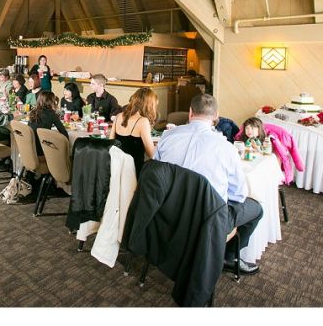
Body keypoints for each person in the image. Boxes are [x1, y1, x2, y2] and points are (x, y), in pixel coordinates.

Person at [154, 93, 263, 275]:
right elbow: (238, 195)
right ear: (216, 117)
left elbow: (155, 173)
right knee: (257, 209)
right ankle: (228, 257)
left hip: (166, 213)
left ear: (190, 113)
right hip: (206, 220)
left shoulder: (167, 136)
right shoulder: (227, 148)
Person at [110, 87, 158, 179]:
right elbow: (151, 154)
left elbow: (111, 143)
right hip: (134, 171)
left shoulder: (119, 116)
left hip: (116, 169)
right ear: (149, 104)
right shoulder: (143, 121)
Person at [28, 90, 68, 155]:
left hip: (31, 149)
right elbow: (63, 132)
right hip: (43, 150)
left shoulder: (33, 112)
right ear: (51, 102)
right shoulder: (51, 114)